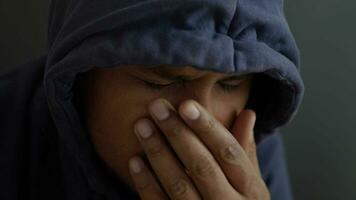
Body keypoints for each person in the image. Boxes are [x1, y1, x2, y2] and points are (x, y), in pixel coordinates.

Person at [0, 0, 304, 199]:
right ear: (77, 79)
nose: (202, 118)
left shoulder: (250, 159)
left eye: (230, 84)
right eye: (161, 81)